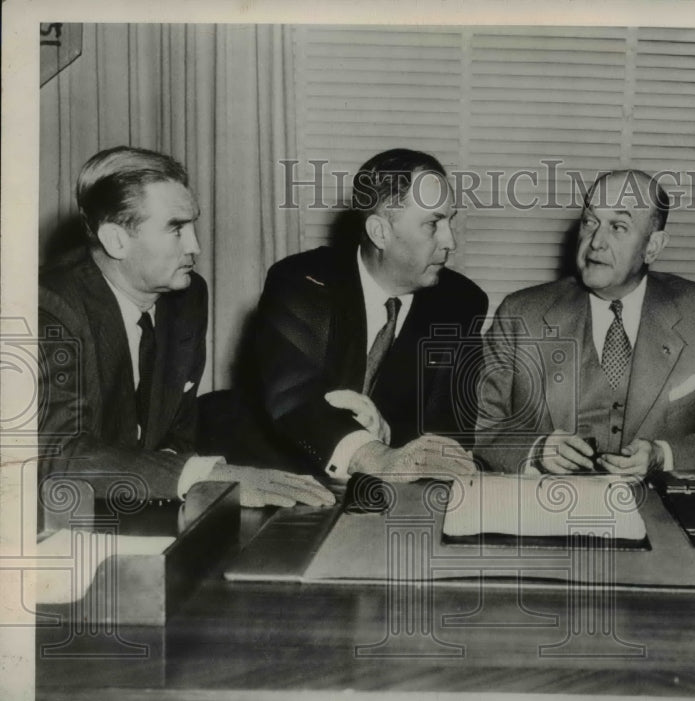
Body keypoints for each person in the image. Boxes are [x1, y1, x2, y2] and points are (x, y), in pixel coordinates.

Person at [38, 146, 334, 508]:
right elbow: (55, 456)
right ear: (116, 240)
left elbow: (179, 431)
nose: (195, 246)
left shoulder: (188, 296)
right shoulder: (48, 307)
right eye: (176, 229)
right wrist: (203, 477)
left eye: (192, 224)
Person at [475, 169, 695, 476]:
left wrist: (663, 455)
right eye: (590, 221)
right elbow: (479, 425)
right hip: (545, 506)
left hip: (657, 510)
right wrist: (536, 450)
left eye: (618, 227)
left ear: (653, 246)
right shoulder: (520, 315)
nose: (596, 242)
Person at [254, 148, 486, 482]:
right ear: (379, 232)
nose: (451, 241)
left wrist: (389, 438)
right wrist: (373, 453)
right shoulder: (300, 283)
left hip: (392, 499)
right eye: (433, 224)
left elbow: (446, 435)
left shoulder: (460, 303)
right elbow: (294, 400)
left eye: (451, 220)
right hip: (290, 482)